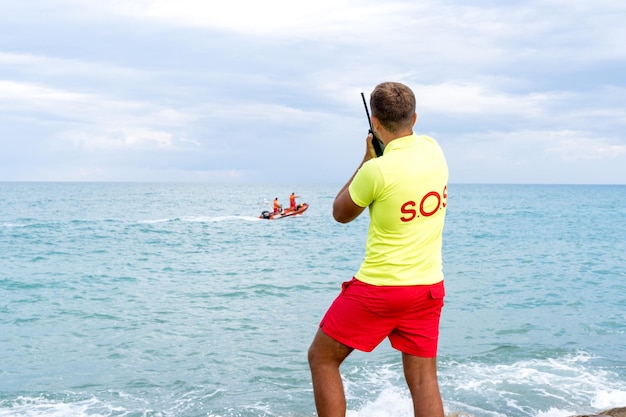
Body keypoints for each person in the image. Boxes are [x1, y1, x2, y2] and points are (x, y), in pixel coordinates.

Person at [307, 82, 449, 417]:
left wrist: (367, 158)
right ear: (414, 118)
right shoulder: (434, 150)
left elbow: (341, 213)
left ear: (375, 122)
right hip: (428, 288)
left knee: (322, 358)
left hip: (380, 289)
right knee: (423, 378)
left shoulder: (376, 171)